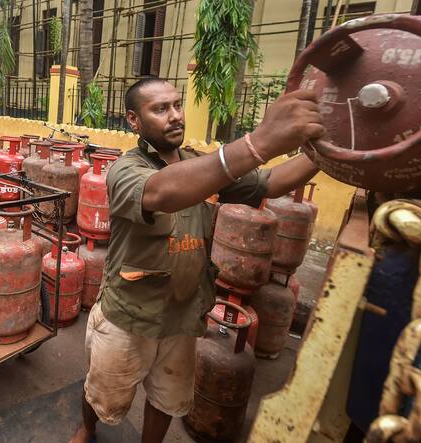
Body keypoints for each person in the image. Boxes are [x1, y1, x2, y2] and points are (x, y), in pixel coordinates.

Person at [70, 78, 323, 443]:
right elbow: (164, 191)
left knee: (167, 399)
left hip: (183, 315)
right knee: (101, 392)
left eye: (177, 105)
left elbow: (271, 183)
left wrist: (323, 151)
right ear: (133, 120)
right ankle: (86, 428)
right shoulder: (126, 169)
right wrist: (259, 141)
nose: (174, 116)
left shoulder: (202, 165)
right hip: (129, 314)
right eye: (160, 109)